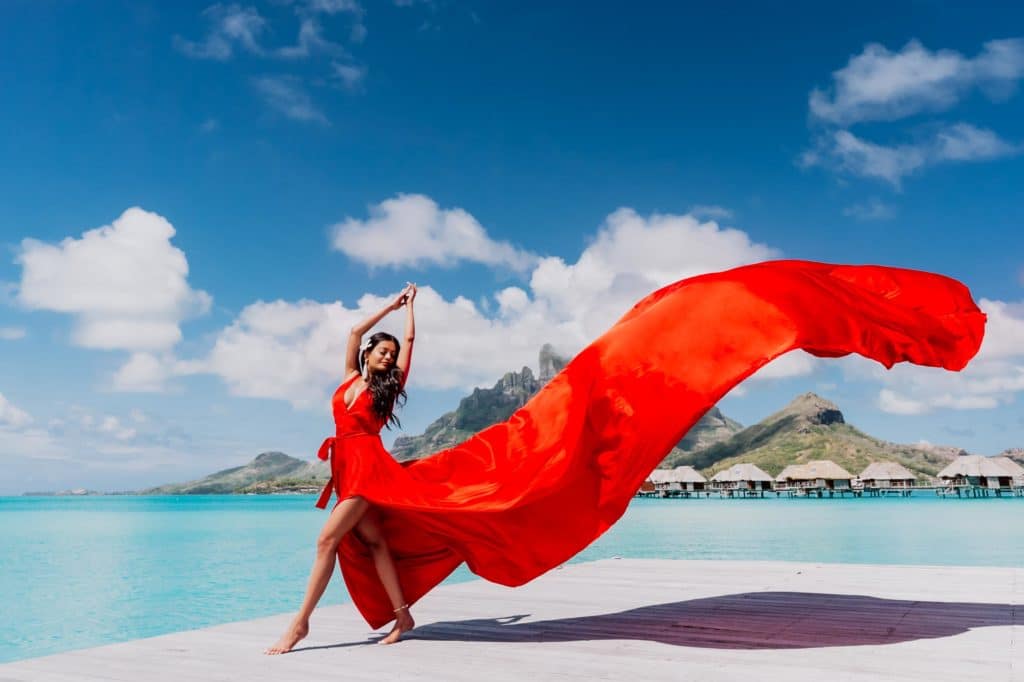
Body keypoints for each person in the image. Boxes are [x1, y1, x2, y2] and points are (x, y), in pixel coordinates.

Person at [266, 282, 418, 654]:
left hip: (368, 469)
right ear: (368, 353)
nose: (389, 357)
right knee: (375, 542)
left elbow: (410, 340)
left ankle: (300, 624)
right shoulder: (350, 375)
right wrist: (391, 306)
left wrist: (410, 310)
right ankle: (403, 616)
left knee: (326, 541)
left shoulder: (389, 386)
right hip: (345, 470)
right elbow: (354, 332)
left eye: (392, 354)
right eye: (383, 351)